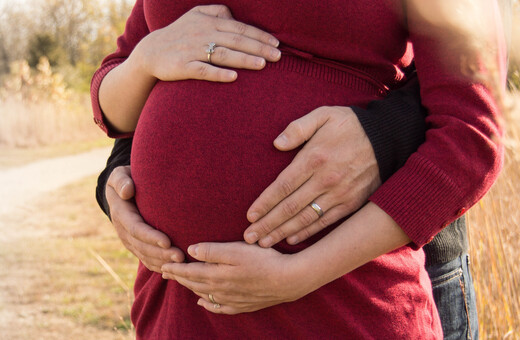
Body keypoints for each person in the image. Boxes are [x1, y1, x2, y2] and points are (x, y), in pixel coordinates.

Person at [91, 1, 505, 338]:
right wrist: (143, 66)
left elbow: (471, 134)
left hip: (345, 305)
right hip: (180, 310)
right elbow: (119, 83)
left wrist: (297, 275)